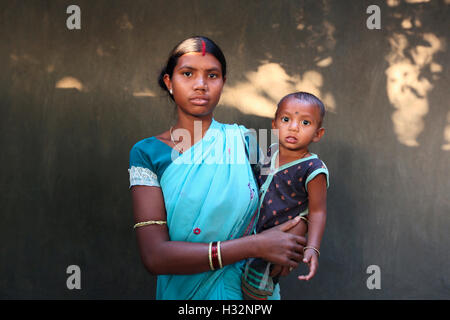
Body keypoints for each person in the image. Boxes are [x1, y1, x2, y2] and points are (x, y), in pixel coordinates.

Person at [128, 36, 306, 300]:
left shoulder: (249, 143)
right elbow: (155, 256)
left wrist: (298, 229)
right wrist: (255, 245)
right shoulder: (147, 153)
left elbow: (293, 198)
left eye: (212, 75)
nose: (200, 85)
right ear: (169, 82)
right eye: (187, 73)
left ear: (222, 83)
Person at [241, 92, 329, 300]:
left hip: (279, 240)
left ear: (318, 134)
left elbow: (317, 211)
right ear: (274, 125)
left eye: (305, 122)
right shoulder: (270, 152)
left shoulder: (313, 169)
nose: (293, 127)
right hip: (251, 233)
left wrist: (313, 248)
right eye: (286, 119)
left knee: (256, 293)